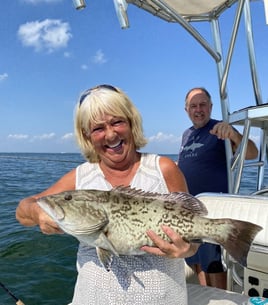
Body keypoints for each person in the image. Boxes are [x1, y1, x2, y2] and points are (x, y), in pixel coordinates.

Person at [16, 84, 199, 305]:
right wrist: (37, 213)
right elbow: (24, 210)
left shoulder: (164, 168)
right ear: (87, 136)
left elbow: (194, 238)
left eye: (117, 122)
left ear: (131, 123)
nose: (111, 134)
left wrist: (186, 249)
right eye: (98, 128)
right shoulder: (81, 177)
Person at [178, 87, 258, 290]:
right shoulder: (186, 135)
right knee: (195, 261)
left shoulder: (220, 130)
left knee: (213, 265)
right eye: (193, 106)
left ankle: (219, 298)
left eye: (202, 104)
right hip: (188, 213)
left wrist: (234, 135)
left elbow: (251, 153)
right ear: (186, 109)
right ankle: (206, 297)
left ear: (211, 107)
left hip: (212, 212)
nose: (198, 109)